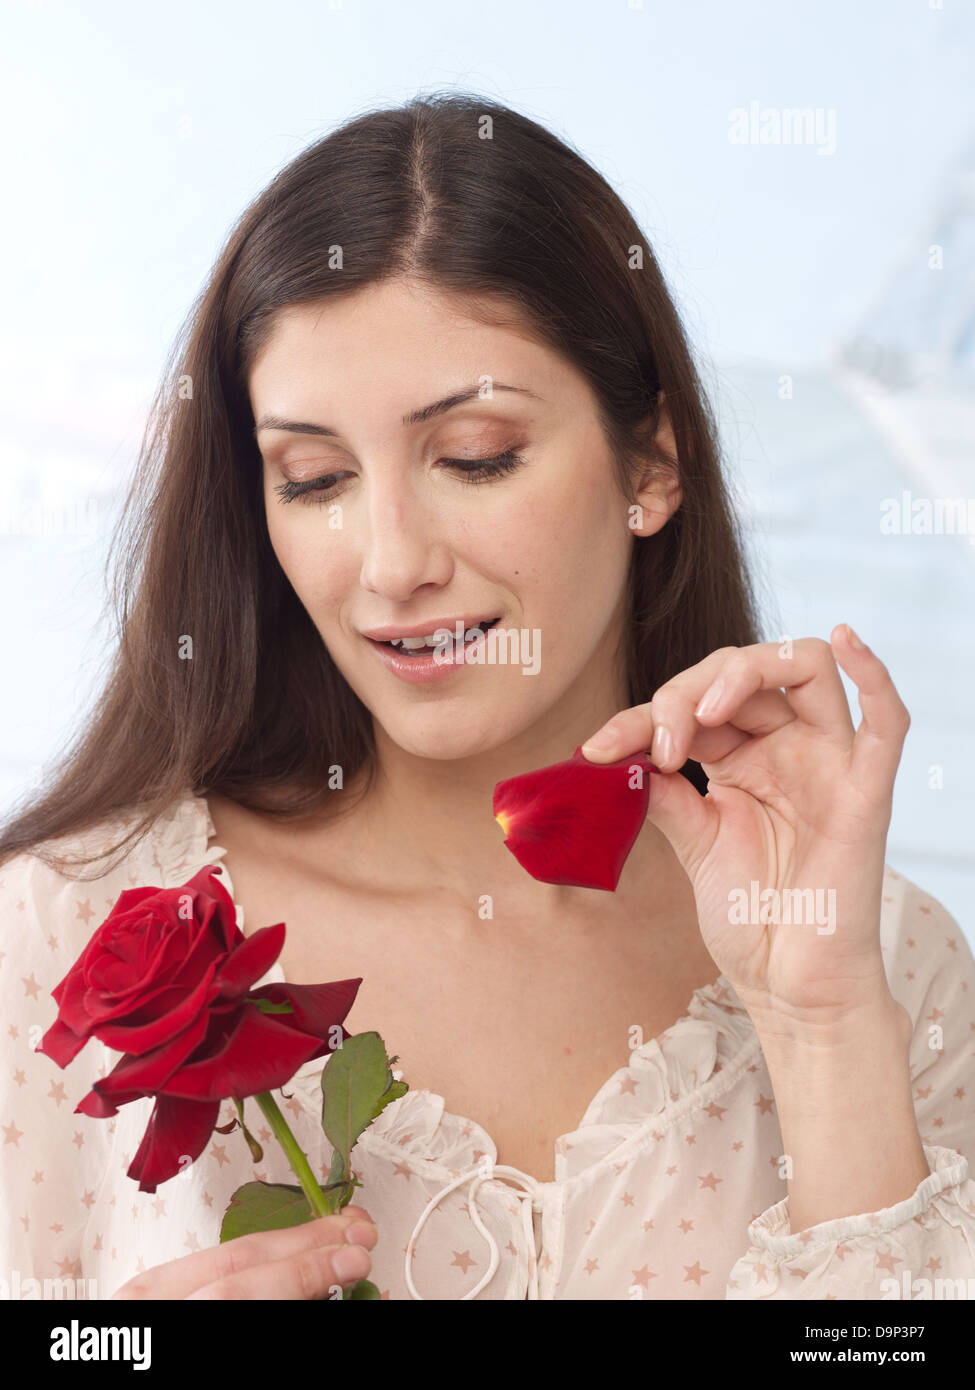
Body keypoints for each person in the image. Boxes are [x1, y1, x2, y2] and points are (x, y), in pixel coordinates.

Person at [1, 92, 973, 1302]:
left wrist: (822, 1027)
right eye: (315, 478)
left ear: (652, 463)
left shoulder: (890, 966)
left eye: (474, 457)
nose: (391, 562)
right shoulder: (52, 936)